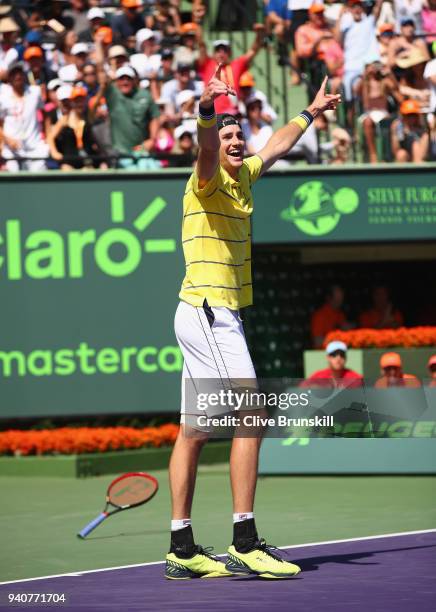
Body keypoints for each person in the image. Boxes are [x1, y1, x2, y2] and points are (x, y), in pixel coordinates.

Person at [166, 66, 341, 579]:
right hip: (208, 312)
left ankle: (181, 548)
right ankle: (244, 540)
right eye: (227, 135)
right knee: (252, 414)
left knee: (194, 432)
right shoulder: (205, 180)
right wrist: (205, 110)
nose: (237, 140)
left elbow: (280, 144)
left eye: (239, 132)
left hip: (206, 313)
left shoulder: (243, 175)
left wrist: (310, 112)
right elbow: (202, 150)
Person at [197, 25, 267, 114]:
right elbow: (201, 45)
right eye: (218, 50)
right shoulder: (207, 64)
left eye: (225, 50)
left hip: (232, 115)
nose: (221, 54)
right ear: (213, 53)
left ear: (230, 53)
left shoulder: (235, 65)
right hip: (211, 114)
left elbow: (253, 51)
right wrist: (198, 22)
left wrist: (259, 36)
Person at [0, 63, 49, 171]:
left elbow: (45, 115)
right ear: (9, 78)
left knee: (40, 177)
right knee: (11, 178)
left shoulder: (35, 92)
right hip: (11, 150)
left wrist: (47, 137)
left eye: (20, 73)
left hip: (35, 147)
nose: (18, 76)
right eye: (14, 74)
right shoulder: (2, 96)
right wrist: (7, 139)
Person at [336, 0, 383, 104]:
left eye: (359, 6)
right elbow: (337, 40)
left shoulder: (369, 22)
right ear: (350, 9)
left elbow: (378, 7)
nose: (357, 9)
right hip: (351, 68)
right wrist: (340, 17)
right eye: (354, 7)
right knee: (349, 97)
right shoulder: (345, 26)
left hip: (370, 66)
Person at [357, 61, 403, 163]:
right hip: (369, 113)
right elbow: (356, 91)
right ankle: (373, 154)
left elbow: (396, 88)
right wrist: (365, 74)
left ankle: (386, 155)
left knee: (387, 123)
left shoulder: (384, 81)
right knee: (367, 122)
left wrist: (389, 73)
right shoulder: (365, 83)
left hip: (382, 113)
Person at [295, 3, 344, 93]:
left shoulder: (329, 28)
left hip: (338, 62)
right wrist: (317, 43)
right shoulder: (303, 30)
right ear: (310, 15)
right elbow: (301, 51)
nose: (319, 16)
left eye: (321, 13)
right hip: (319, 65)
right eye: (316, 13)